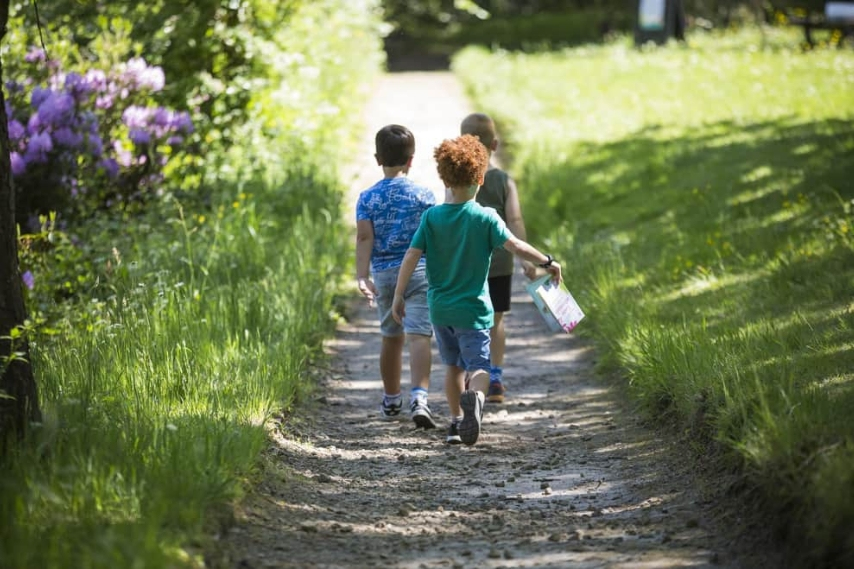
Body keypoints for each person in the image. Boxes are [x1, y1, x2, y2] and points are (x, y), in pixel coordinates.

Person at [391, 135, 561, 446]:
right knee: (479, 367)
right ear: (481, 178)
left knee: (453, 366)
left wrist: (399, 294)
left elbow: (411, 255)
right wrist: (547, 261)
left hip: (440, 309)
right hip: (474, 309)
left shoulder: (432, 217)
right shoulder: (485, 217)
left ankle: (456, 422)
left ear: (444, 178)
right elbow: (515, 245)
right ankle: (477, 399)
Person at [355, 124, 436, 429]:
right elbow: (434, 236)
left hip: (387, 277)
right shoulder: (424, 195)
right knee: (419, 335)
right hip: (420, 272)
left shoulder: (367, 198)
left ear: (378, 158)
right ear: (411, 160)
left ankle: (391, 399)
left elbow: (364, 238)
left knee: (390, 337)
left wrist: (362, 276)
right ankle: (420, 397)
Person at [461, 112, 536, 404]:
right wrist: (526, 259)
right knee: (497, 320)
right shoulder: (504, 181)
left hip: (468, 264)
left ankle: (471, 374)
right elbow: (514, 220)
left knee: (469, 321)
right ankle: (495, 379)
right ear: (495, 144)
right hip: (500, 263)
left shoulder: (458, 181)